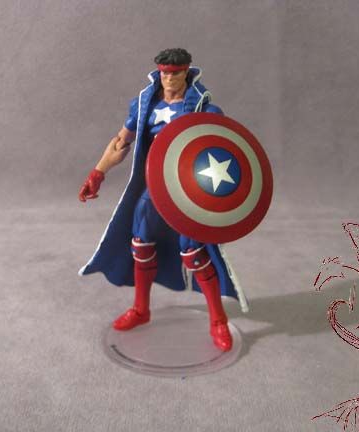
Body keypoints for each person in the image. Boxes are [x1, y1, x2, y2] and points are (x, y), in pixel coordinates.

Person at [78, 48, 248, 352]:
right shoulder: (145, 105)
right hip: (154, 188)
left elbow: (224, 152)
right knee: (140, 245)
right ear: (159, 72)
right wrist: (98, 173)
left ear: (187, 72)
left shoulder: (204, 109)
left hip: (187, 193)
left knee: (194, 252)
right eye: (165, 73)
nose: (170, 78)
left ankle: (218, 320)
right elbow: (121, 142)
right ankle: (141, 309)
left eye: (176, 72)